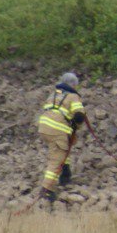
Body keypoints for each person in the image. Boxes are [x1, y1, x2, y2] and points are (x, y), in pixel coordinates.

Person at [36, 71, 84, 203]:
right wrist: (76, 125)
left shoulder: (53, 95)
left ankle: (65, 172)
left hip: (44, 127)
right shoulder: (73, 96)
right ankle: (47, 190)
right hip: (57, 129)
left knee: (62, 147)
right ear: (74, 85)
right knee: (55, 159)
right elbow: (79, 115)